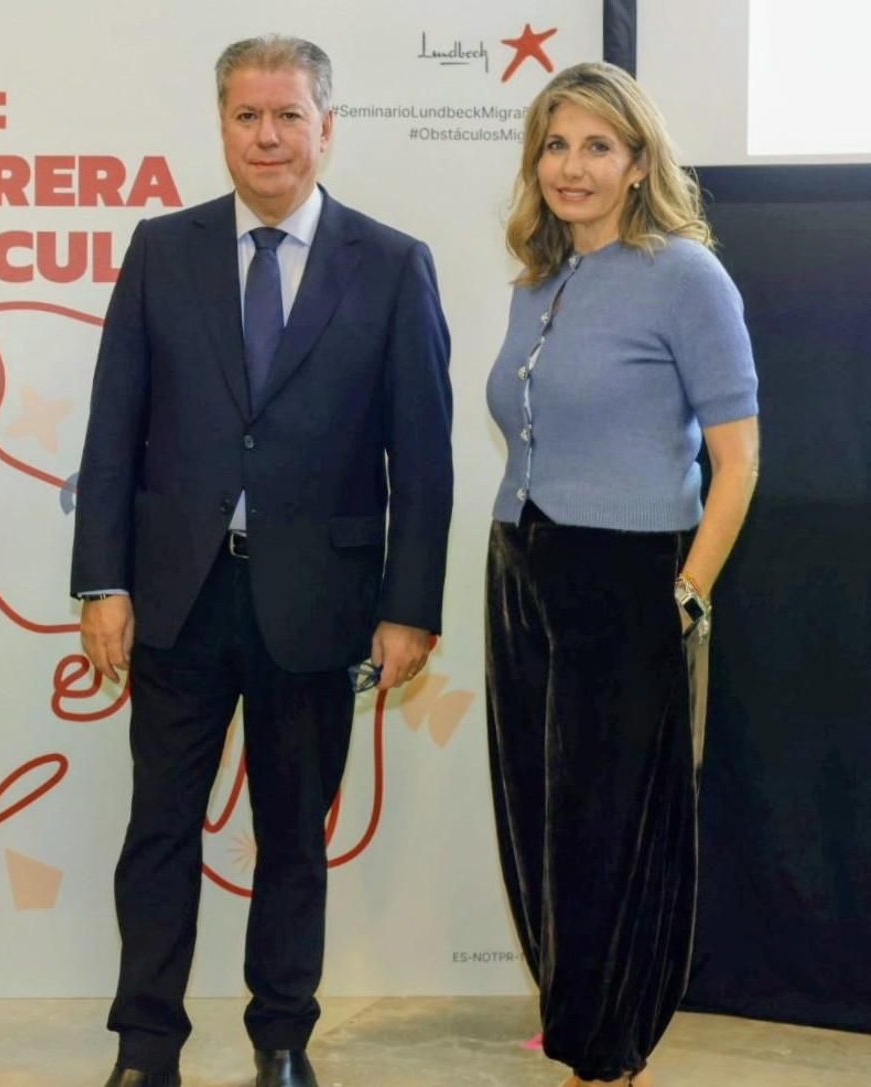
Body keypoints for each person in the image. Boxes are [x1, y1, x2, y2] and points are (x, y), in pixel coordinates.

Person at [71, 35, 453, 1087]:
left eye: (288, 115)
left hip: (317, 601)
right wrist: (101, 583)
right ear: (222, 126)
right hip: (178, 598)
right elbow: (114, 430)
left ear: (327, 127)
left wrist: (409, 604)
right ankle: (145, 1047)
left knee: (291, 836)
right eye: (248, 116)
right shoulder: (161, 248)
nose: (268, 136)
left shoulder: (392, 263)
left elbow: (421, 458)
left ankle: (281, 1038)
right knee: (157, 831)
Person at [484, 62, 761, 1087]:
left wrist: (684, 593)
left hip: (627, 574)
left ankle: (608, 1054)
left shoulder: (685, 275)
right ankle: (578, 1029)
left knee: (609, 824)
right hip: (519, 568)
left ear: (640, 163)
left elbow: (737, 459)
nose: (572, 166)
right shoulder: (536, 277)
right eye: (555, 145)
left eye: (597, 146)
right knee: (535, 815)